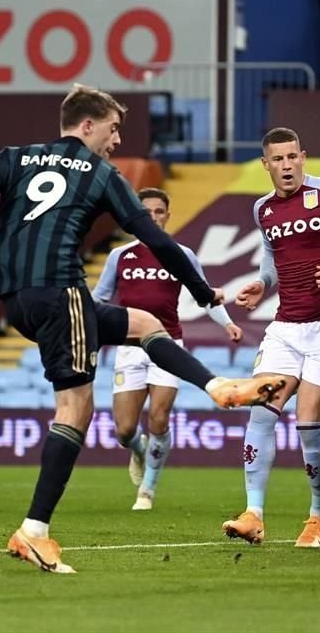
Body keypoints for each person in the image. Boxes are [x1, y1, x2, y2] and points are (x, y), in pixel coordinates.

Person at [0, 84, 284, 573]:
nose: (117, 139)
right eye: (112, 128)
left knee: (145, 323)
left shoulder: (16, 156)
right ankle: (34, 531)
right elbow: (157, 242)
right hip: (61, 292)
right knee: (76, 408)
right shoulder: (102, 173)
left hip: (14, 300)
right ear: (87, 126)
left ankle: (217, 385)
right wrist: (203, 290)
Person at [223, 127, 320, 548]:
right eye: (278, 159)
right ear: (266, 164)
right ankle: (253, 514)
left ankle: (319, 515)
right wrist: (262, 283)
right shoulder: (263, 210)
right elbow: (273, 256)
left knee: (308, 422)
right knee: (261, 410)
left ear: (303, 157)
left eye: (292, 157)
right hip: (286, 327)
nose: (287, 165)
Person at [93, 187, 243, 511]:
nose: (153, 218)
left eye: (159, 212)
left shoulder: (180, 254)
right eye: (146, 212)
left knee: (159, 419)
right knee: (124, 430)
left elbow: (203, 293)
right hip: (129, 347)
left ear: (167, 216)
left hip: (167, 344)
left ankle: (147, 490)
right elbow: (100, 298)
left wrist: (227, 323)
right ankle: (137, 450)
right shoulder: (120, 256)